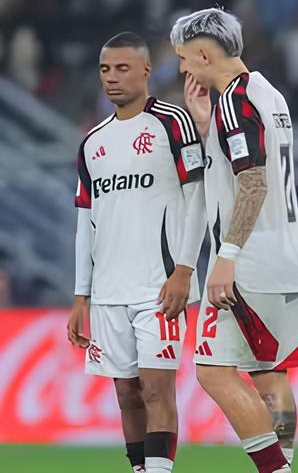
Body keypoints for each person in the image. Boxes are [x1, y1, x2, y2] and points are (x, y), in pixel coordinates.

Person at [171, 8, 298, 473]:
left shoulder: (234, 100)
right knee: (269, 374)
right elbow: (252, 165)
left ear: (205, 53)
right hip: (287, 257)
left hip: (247, 259)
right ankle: (283, 464)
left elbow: (253, 184)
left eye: (185, 59)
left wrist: (226, 258)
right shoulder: (268, 94)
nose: (184, 70)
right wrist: (208, 129)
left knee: (212, 371)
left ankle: (277, 470)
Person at [69, 32, 206, 473]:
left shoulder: (172, 122)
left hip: (159, 285)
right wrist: (80, 296)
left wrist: (185, 269)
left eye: (123, 68)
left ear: (147, 71)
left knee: (154, 390)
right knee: (126, 394)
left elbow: (198, 197)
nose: (112, 78)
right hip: (109, 290)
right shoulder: (92, 142)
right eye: (105, 69)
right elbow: (84, 224)